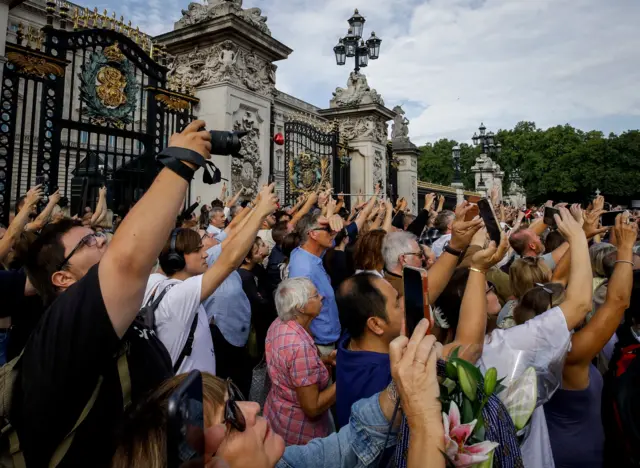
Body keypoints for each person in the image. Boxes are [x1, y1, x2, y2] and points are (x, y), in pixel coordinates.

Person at [13, 121, 214, 466]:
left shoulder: (115, 315)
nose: (103, 238)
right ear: (62, 277)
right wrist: (180, 162)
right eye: (88, 241)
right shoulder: (64, 328)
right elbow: (127, 260)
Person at [110, 318, 444, 468]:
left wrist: (401, 387)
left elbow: (349, 446)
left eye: (235, 396)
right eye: (231, 418)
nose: (254, 408)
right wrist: (426, 421)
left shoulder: (281, 462)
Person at [544, 212, 636, 468]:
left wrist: (579, 238)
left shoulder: (538, 335)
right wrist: (625, 248)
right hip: (581, 456)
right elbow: (617, 302)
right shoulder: (571, 354)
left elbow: (556, 282)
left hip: (555, 444)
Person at [204, 189, 277, 398]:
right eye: (205, 238)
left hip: (238, 336)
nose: (211, 239)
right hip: (222, 337)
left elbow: (235, 228)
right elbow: (234, 232)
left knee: (242, 383)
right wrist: (259, 211)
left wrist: (256, 207)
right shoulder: (211, 261)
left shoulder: (227, 264)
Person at [264, 277, 335, 446]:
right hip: (300, 431)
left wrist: (324, 360)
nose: (322, 297)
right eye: (315, 295)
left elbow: (290, 368)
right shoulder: (299, 346)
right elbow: (313, 407)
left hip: (278, 415)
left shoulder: (279, 323)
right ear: (301, 307)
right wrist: (347, 378)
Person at [287, 212, 344, 354]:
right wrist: (314, 351)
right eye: (327, 229)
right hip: (319, 346)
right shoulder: (304, 270)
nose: (331, 233)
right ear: (313, 234)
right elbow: (300, 314)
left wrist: (335, 218)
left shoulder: (307, 253)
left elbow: (333, 237)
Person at [239, 237, 275, 362]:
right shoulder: (245, 277)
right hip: (259, 320)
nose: (260, 252)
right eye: (256, 252)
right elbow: (259, 302)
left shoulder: (255, 268)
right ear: (247, 259)